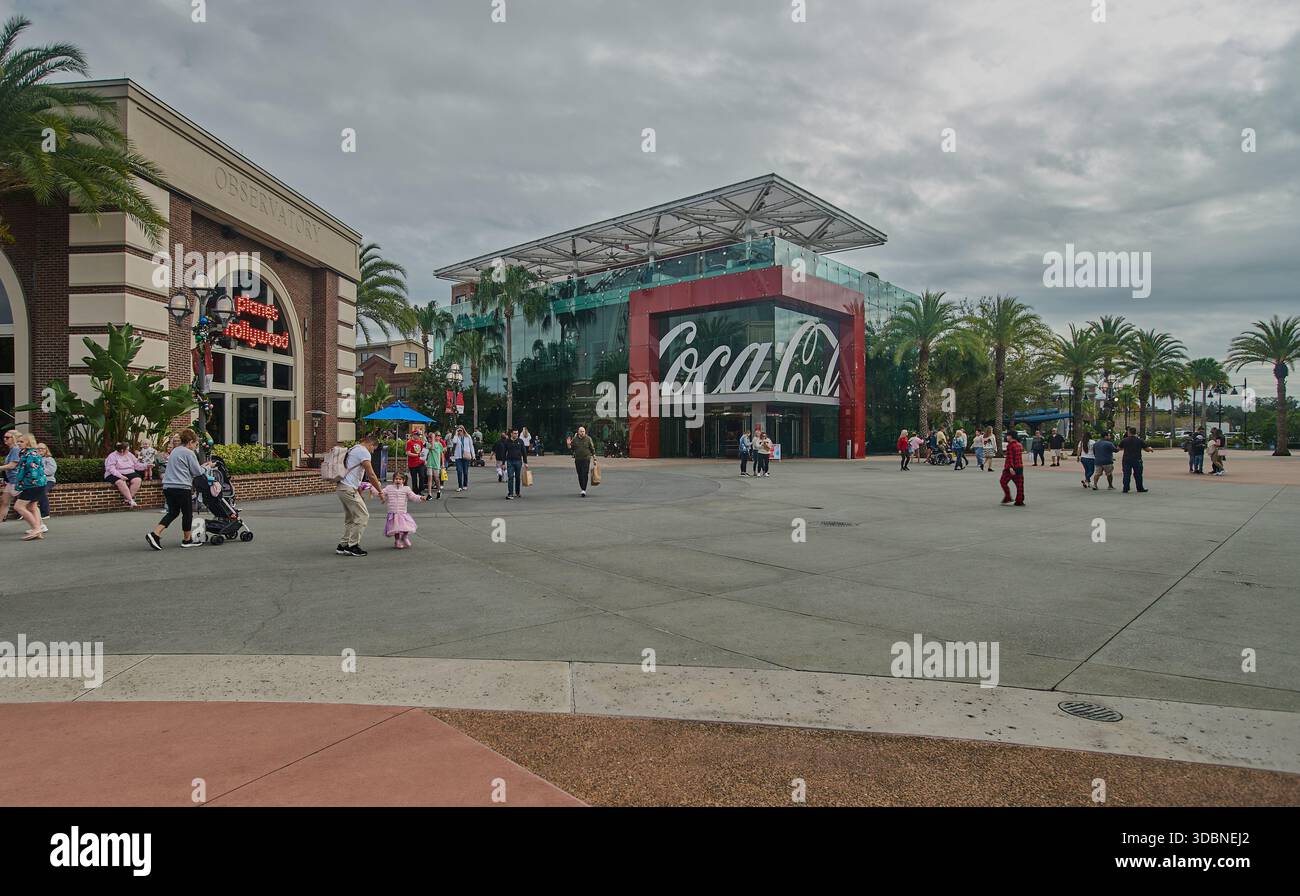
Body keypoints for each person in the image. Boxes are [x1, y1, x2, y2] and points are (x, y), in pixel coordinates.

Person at [146, 429, 209, 550]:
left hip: (168, 486)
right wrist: (207, 467)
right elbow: (197, 472)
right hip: (181, 487)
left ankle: (155, 533)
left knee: (173, 512)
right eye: (195, 444)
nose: (196, 446)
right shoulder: (189, 453)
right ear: (190, 442)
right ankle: (187, 540)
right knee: (187, 513)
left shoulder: (175, 450)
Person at [336, 432, 385, 557]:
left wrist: (358, 490)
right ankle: (353, 546)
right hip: (348, 489)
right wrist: (380, 491)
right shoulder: (364, 452)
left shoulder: (354, 449)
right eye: (373, 449)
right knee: (363, 516)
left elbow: (355, 473)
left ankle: (343, 545)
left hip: (342, 487)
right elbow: (371, 474)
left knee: (351, 518)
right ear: (371, 444)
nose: (373, 452)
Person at [11, 433, 47, 540]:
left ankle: (36, 528)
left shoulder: (30, 455)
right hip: (37, 485)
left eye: (21, 441)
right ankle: (38, 529)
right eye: (18, 441)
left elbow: (31, 472)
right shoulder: (28, 453)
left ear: (28, 442)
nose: (18, 443)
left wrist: (19, 484)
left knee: (18, 506)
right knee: (32, 506)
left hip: (32, 485)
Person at [381, 472, 429, 549]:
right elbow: (381, 492)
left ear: (403, 480)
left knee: (406, 527)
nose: (398, 480)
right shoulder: (389, 488)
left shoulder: (406, 489)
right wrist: (373, 489)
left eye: (400, 479)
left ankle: (404, 537)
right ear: (393, 480)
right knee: (396, 529)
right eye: (396, 479)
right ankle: (397, 540)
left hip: (402, 512)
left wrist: (420, 498)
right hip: (393, 513)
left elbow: (413, 496)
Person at [104, 442, 147, 508]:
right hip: (114, 473)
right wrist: (120, 476)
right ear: (122, 450)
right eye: (127, 449)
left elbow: (136, 465)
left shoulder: (129, 454)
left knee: (137, 480)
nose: (128, 450)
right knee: (121, 482)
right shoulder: (112, 456)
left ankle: (127, 499)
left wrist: (146, 466)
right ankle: (131, 500)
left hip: (129, 472)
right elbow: (111, 469)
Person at [1118, 426, 1153, 493]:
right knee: (1138, 474)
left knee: (1126, 474)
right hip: (1137, 459)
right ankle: (1140, 488)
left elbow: (1118, 448)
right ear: (1135, 432)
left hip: (1126, 459)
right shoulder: (1139, 440)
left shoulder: (1124, 440)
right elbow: (1146, 449)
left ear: (1129, 432)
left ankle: (1126, 488)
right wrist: (1150, 449)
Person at [999, 429, 1025, 506]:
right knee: (1019, 484)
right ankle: (1020, 500)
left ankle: (1008, 496)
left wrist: (1010, 467)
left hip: (1010, 468)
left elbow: (1010, 457)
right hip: (1019, 466)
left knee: (1003, 481)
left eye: (1007, 435)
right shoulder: (1019, 445)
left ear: (1010, 436)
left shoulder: (1010, 445)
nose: (1006, 437)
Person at [570, 425, 597, 496]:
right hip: (578, 459)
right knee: (580, 474)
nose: (582, 433)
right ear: (578, 432)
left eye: (583, 431)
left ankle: (584, 489)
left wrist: (594, 459)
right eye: (581, 431)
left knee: (585, 473)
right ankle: (582, 487)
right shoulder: (575, 439)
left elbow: (592, 449)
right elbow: (572, 448)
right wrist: (569, 445)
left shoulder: (588, 439)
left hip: (586, 459)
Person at [0, 429, 19, 526]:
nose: (5, 439)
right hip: (11, 481)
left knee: (28, 506)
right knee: (4, 501)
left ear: (14, 438)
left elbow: (12, 465)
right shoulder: (12, 450)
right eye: (4, 437)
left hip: (17, 481)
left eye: (7, 437)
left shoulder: (16, 449)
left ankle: (39, 525)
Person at [503, 428, 528, 500]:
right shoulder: (507, 441)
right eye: (514, 433)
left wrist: (525, 462)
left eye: (517, 433)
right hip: (510, 461)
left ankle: (517, 492)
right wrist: (503, 463)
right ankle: (510, 493)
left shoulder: (520, 441)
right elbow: (504, 452)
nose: (516, 435)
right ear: (511, 434)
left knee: (517, 477)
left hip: (518, 461)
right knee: (510, 477)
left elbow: (524, 452)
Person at [451, 425, 475, 491]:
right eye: (458, 430)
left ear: (463, 430)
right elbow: (454, 442)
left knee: (465, 472)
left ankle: (465, 485)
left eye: (461, 430)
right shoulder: (456, 437)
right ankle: (460, 486)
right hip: (458, 456)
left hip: (466, 456)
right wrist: (456, 434)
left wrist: (473, 455)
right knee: (459, 471)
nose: (460, 432)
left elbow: (471, 446)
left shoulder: (468, 436)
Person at [36, 442, 56, 522]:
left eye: (42, 448)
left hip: (48, 480)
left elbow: (51, 471)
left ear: (46, 450)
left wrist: (38, 472)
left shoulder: (49, 459)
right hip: (36, 481)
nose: (40, 450)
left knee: (42, 492)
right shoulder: (34, 459)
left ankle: (45, 514)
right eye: (38, 448)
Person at [405, 430, 427, 497]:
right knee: (414, 478)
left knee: (422, 476)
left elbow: (423, 451)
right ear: (413, 435)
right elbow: (408, 453)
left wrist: (424, 460)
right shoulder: (409, 442)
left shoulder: (420, 442)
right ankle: (415, 491)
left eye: (419, 435)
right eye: (417, 435)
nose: (418, 436)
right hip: (412, 463)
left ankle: (420, 490)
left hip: (420, 462)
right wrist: (417, 455)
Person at [427, 431, 445, 498]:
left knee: (436, 478)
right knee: (430, 478)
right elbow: (432, 447)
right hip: (430, 463)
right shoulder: (428, 444)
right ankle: (429, 494)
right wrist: (432, 439)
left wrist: (443, 464)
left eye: (438, 436)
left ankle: (438, 491)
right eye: (435, 436)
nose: (436, 437)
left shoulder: (440, 444)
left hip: (436, 464)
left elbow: (442, 454)